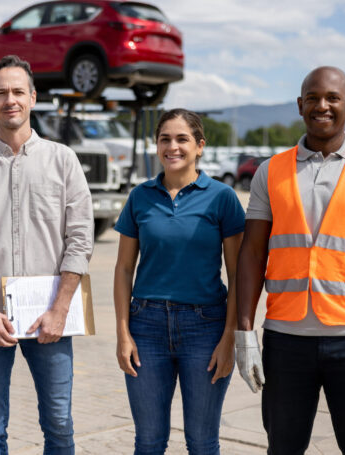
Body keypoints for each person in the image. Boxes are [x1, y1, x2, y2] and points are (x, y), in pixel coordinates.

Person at [234, 66, 345, 454]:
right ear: (300, 105)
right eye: (313, 98)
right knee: (283, 448)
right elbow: (251, 253)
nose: (322, 106)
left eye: (333, 98)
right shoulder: (271, 171)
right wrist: (244, 332)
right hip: (285, 341)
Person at [0, 55, 94, 455]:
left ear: (32, 97)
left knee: (59, 425)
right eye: (1, 93)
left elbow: (80, 239)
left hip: (51, 317)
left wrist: (61, 309)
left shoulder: (63, 161)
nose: (10, 99)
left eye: (17, 91)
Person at [113, 109, 245, 454]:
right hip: (146, 327)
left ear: (200, 146)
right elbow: (124, 268)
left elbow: (238, 274)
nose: (172, 146)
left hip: (206, 328)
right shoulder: (140, 197)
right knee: (149, 442)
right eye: (164, 139)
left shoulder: (222, 198)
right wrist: (123, 333)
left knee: (202, 442)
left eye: (182, 139)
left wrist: (230, 339)